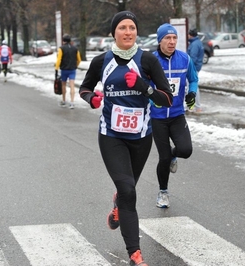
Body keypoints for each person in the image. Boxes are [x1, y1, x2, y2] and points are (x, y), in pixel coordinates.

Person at [79, 11, 173, 266]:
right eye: (123, 27)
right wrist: (92, 99)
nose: (128, 32)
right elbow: (85, 88)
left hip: (141, 137)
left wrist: (143, 86)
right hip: (111, 136)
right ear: (114, 33)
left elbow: (166, 99)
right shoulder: (101, 61)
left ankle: (118, 204)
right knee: (128, 190)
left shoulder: (148, 60)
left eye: (132, 27)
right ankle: (135, 253)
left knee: (126, 189)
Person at [150, 23, 198, 208]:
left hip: (177, 114)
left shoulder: (185, 59)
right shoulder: (151, 60)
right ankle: (163, 192)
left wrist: (191, 93)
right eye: (167, 38)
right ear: (159, 40)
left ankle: (173, 154)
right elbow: (143, 84)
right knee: (163, 159)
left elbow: (193, 79)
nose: (171, 42)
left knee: (186, 150)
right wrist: (150, 98)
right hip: (158, 117)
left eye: (174, 38)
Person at [55, 34, 81, 109]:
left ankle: (64, 100)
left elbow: (59, 59)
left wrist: (56, 68)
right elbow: (79, 59)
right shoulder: (75, 49)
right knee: (72, 85)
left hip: (64, 69)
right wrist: (76, 65)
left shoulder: (61, 49)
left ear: (63, 41)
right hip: (72, 69)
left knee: (63, 85)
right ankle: (72, 102)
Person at [187, 28, 204, 112]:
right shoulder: (198, 42)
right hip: (197, 67)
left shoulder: (194, 45)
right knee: (193, 86)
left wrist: (188, 67)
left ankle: (196, 106)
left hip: (193, 68)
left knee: (193, 86)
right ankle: (194, 106)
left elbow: (192, 57)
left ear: (190, 35)